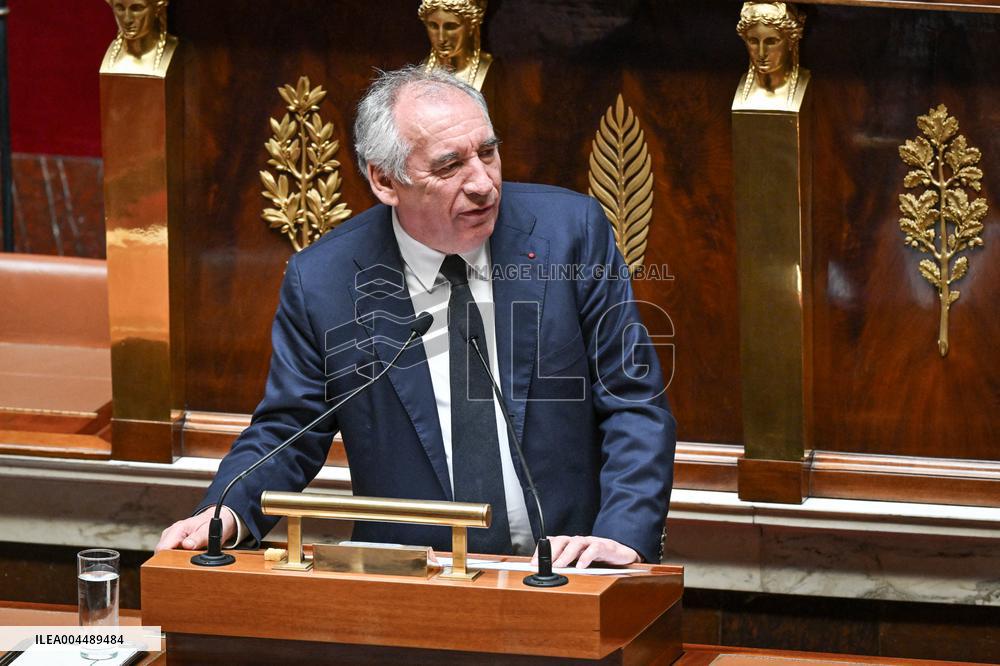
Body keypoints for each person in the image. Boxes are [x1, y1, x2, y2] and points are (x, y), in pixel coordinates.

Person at [157, 66, 675, 567]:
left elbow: (633, 400)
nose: (483, 183)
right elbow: (290, 428)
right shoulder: (325, 281)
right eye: (450, 167)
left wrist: (620, 535)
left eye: (488, 152)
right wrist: (226, 511)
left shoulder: (570, 233)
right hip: (410, 580)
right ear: (385, 181)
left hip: (566, 571)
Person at [734, 2, 808, 111]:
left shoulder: (804, 81)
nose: (761, 53)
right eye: (753, 41)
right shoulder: (740, 88)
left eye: (771, 42)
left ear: (791, 41)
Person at [419, 0, 493, 91]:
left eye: (450, 27)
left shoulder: (490, 71)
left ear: (471, 26)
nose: (441, 38)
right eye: (433, 26)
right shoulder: (423, 68)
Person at [101, 0, 178, 75]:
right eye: (120, 8)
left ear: (158, 8)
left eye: (137, 8)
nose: (127, 19)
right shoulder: (111, 57)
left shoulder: (175, 50)